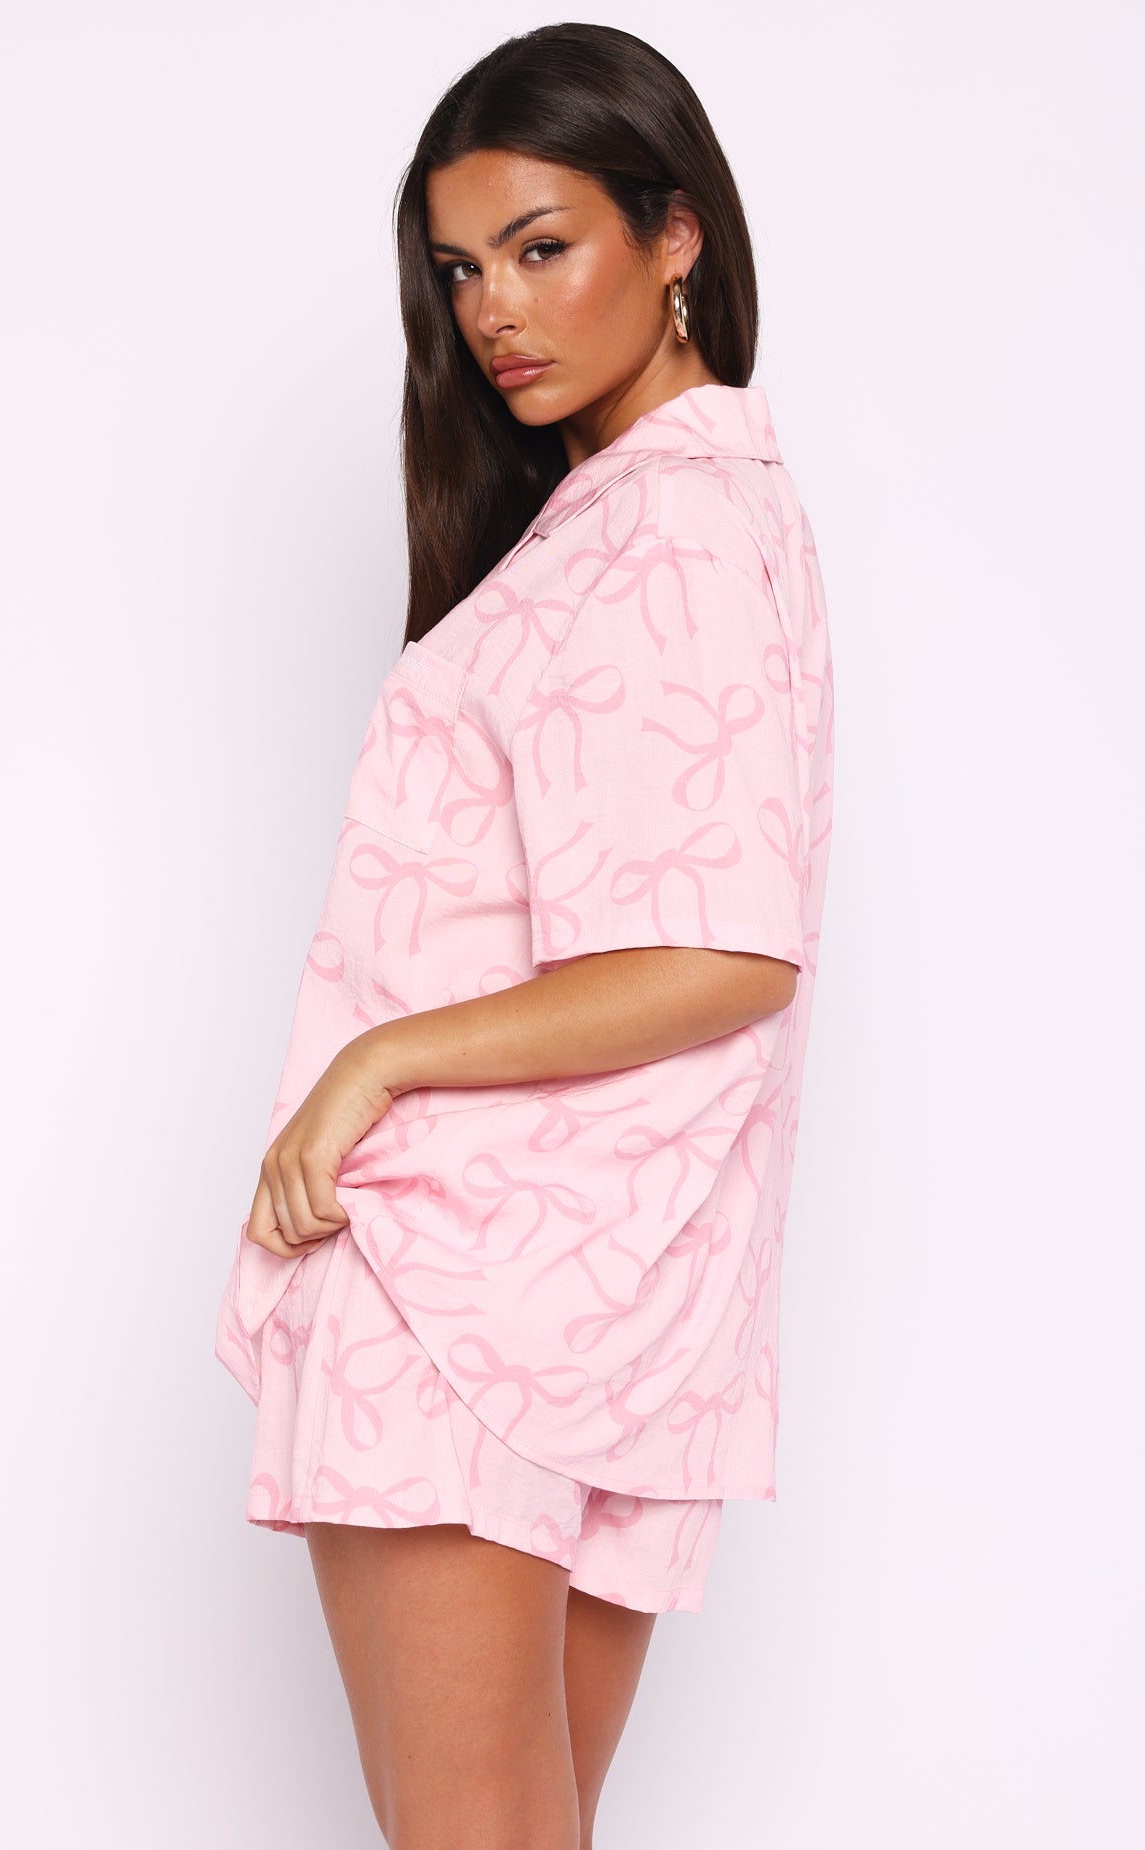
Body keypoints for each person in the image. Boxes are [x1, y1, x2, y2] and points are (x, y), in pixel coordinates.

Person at [214, 22, 834, 1849]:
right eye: (461, 268)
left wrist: (374, 1062)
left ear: (676, 234)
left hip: (473, 1298)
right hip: (599, 1300)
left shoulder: (672, 524)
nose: (494, 310)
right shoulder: (654, 511)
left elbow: (725, 950)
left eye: (542, 247)